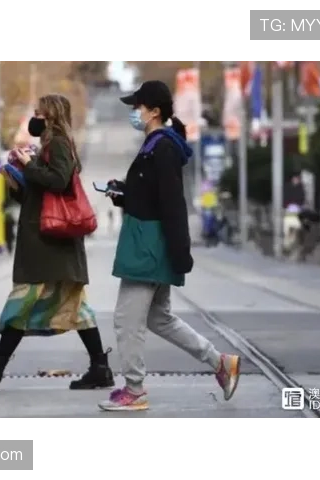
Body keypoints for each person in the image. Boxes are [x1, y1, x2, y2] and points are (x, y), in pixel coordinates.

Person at [98, 80, 241, 412]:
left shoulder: (161, 148)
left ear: (154, 111)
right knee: (159, 318)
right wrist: (123, 193)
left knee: (126, 319)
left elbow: (172, 203)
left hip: (148, 246)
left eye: (138, 107)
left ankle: (134, 390)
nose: (134, 112)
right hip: (147, 242)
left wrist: (180, 251)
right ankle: (221, 363)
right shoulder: (154, 145)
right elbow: (151, 195)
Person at [0, 93, 114, 392]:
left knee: (21, 303)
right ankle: (100, 367)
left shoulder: (58, 143)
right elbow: (40, 195)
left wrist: (29, 164)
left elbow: (59, 180)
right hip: (51, 244)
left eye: (39, 113)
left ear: (51, 116)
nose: (34, 118)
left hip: (49, 244)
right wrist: (16, 180)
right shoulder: (50, 145)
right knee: (76, 309)